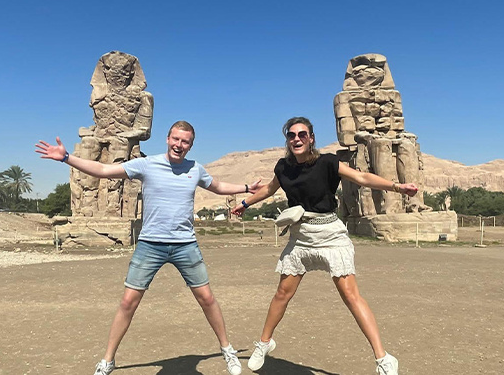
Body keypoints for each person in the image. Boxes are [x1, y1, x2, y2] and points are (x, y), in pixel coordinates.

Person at [36, 121, 262, 375]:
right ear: (167, 139)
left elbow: (218, 186)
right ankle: (108, 360)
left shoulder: (195, 169)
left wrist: (246, 188)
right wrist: (67, 158)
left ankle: (227, 350)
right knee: (128, 302)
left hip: (185, 245)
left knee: (207, 299)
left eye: (185, 141)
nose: (179, 145)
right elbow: (103, 170)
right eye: (175, 139)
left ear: (190, 145)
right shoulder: (147, 164)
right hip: (150, 245)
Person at [231, 117, 418, 375]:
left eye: (302, 134)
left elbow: (361, 177)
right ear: (287, 140)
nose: (297, 139)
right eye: (291, 135)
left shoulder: (327, 162)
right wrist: (245, 204)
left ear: (311, 138)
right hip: (301, 236)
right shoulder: (283, 167)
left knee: (351, 296)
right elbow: (270, 189)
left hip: (330, 234)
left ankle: (383, 358)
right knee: (282, 293)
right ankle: (264, 343)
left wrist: (398, 187)